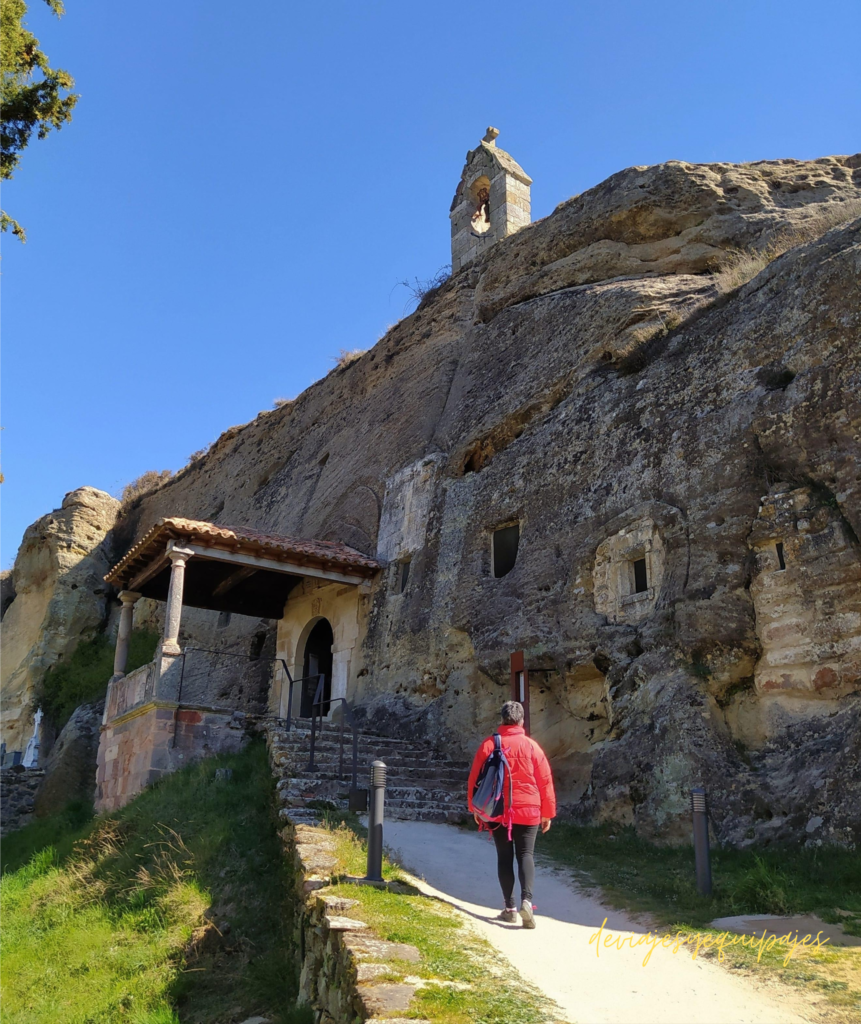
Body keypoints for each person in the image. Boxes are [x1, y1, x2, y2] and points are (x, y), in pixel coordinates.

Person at [466, 700, 556, 929]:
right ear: (521, 720)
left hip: (497, 811)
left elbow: (475, 779)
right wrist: (547, 813)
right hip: (529, 809)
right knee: (526, 855)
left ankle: (509, 908)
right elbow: (545, 781)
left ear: (502, 719)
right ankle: (527, 901)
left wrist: (474, 808)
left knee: (504, 857)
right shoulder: (532, 746)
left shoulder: (489, 745)